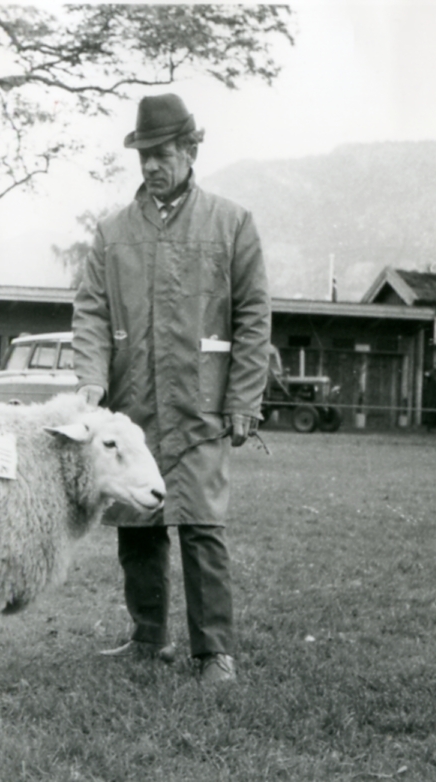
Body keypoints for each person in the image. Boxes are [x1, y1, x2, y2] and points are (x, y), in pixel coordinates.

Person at [71, 94, 271, 683]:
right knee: (138, 527)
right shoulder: (112, 234)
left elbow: (254, 316)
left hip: (201, 405)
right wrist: (90, 380)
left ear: (190, 150)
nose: (153, 166)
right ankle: (148, 636)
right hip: (134, 407)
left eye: (163, 154)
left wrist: (243, 398)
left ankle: (215, 652)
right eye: (144, 156)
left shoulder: (231, 223)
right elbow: (91, 312)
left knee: (204, 527)